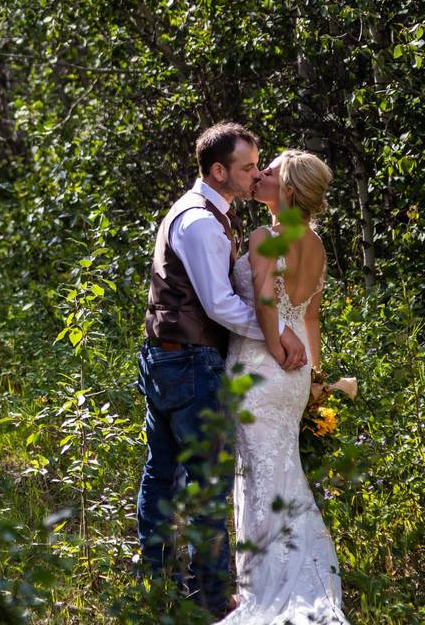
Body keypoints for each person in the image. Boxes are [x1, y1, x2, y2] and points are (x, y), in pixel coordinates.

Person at [136, 121, 308, 617]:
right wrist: (274, 336)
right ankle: (209, 597)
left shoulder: (207, 214)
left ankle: (159, 582)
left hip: (169, 356)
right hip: (186, 362)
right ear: (218, 170)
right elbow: (218, 304)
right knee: (204, 481)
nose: (256, 175)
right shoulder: (201, 222)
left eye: (258, 166)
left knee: (163, 472)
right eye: (247, 167)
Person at [215, 150, 349, 624]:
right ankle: (296, 574)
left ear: (288, 189)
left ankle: (264, 591)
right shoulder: (316, 245)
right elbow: (309, 317)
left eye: (268, 171)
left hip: (260, 368)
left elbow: (268, 298)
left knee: (256, 481)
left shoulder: (264, 236)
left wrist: (274, 346)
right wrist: (312, 375)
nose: (261, 175)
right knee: (282, 475)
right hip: (292, 378)